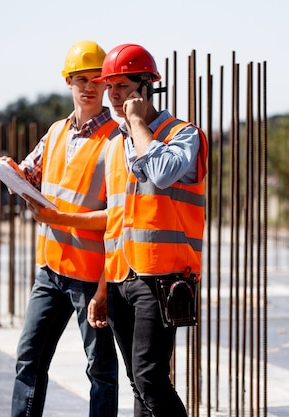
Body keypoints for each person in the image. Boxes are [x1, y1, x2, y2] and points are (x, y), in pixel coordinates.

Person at [0, 40, 120, 417]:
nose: (90, 87)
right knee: (29, 360)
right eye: (81, 79)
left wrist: (103, 288)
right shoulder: (57, 132)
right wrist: (8, 170)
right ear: (68, 81)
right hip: (50, 270)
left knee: (101, 372)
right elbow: (30, 174)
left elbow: (119, 218)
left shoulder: (116, 140)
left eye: (98, 79)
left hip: (91, 275)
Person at [96, 43, 208, 417]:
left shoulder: (184, 134)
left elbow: (162, 174)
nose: (113, 95)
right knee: (137, 381)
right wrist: (101, 287)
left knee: (150, 378)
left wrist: (139, 123)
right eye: (109, 87)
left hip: (162, 277)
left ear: (146, 88)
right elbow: (115, 219)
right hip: (120, 277)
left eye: (123, 86)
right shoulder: (116, 143)